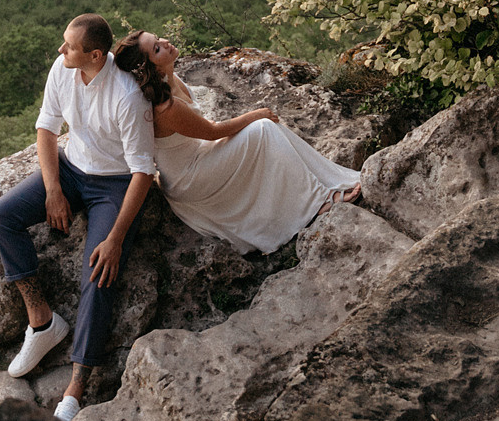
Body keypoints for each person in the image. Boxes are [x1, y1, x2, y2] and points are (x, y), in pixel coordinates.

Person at [0, 13, 155, 421]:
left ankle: (75, 390)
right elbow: (46, 128)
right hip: (71, 169)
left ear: (95, 55)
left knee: (98, 271)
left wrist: (115, 238)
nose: (61, 50)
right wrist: (54, 189)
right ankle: (42, 322)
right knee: (2, 216)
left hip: (114, 185)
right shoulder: (63, 70)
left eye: (70, 45)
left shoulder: (126, 96)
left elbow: (143, 173)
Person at [113, 30, 361, 254]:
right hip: (189, 177)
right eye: (157, 48)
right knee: (263, 128)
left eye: (159, 39)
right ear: (150, 68)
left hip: (198, 157)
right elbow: (211, 132)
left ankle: (327, 185)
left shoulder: (170, 78)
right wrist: (254, 114)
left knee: (270, 131)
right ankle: (318, 204)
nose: (165, 43)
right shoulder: (165, 107)